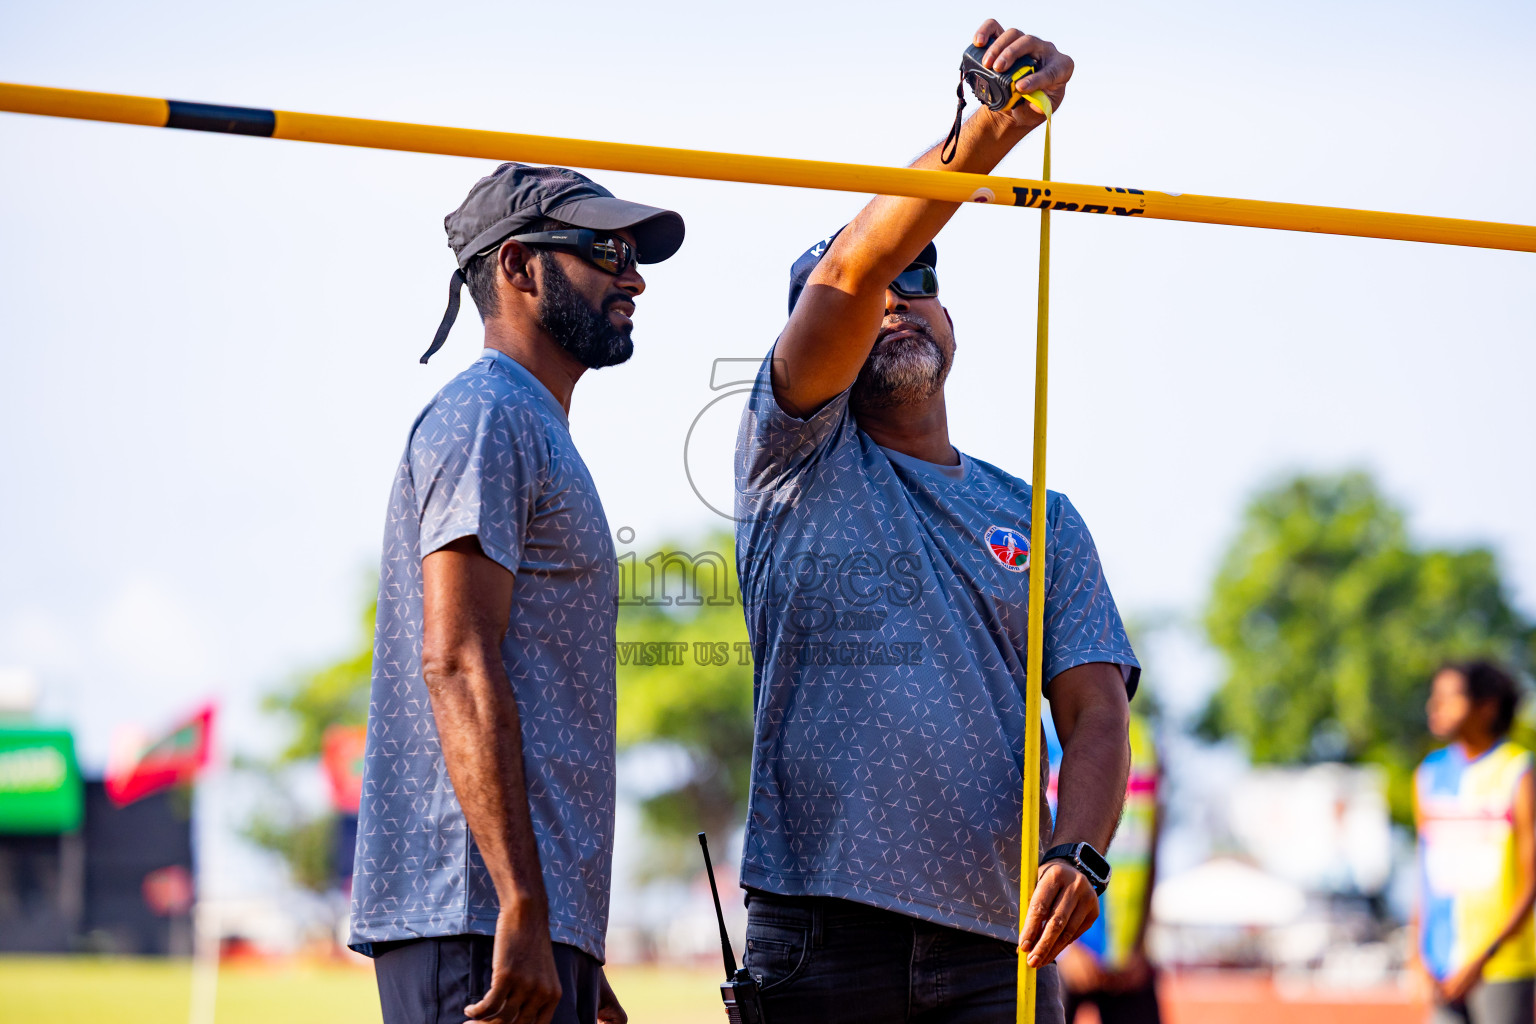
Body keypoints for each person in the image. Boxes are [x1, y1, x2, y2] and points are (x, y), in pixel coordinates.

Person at [733, 18, 1139, 1023]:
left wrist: (1080, 850)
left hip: (996, 944)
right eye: (882, 288)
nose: (897, 302)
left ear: (953, 320)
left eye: (924, 285)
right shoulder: (792, 456)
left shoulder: (1041, 515)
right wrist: (979, 139)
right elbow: (850, 273)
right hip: (819, 934)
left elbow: (1094, 710)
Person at [346, 163, 684, 1024]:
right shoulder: (487, 415)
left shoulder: (529, 423)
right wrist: (522, 908)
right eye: (606, 251)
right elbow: (456, 659)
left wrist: (568, 934)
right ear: (520, 267)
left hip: (515, 917)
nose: (633, 276)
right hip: (474, 917)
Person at [1414, 660, 1536, 1024]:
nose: (1435, 707)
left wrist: (1483, 958)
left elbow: (1531, 879)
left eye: (1450, 698)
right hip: (1440, 965)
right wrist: (1416, 956)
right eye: (1434, 697)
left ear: (1487, 706)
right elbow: (1425, 874)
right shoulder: (1429, 774)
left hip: (1501, 967)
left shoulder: (1517, 771)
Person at [1056, 712, 1163, 1024]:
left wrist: (1142, 943)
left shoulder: (1143, 738)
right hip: (1057, 948)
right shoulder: (1040, 732)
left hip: (1128, 957)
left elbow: (1151, 849)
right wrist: (1065, 951)